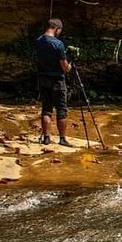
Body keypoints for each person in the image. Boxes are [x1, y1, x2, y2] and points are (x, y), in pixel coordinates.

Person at [35, 18, 73, 146]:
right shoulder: (58, 44)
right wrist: (70, 64)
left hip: (43, 78)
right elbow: (64, 66)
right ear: (57, 28)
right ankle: (62, 139)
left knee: (46, 109)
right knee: (62, 109)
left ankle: (46, 137)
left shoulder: (39, 41)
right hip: (57, 80)